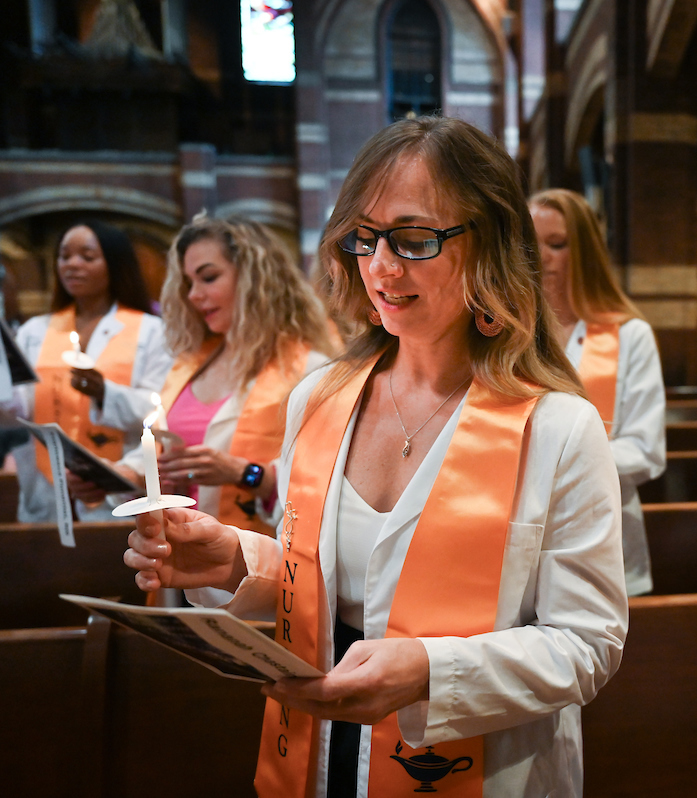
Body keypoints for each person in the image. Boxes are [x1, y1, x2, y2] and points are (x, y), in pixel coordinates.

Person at [123, 116, 627, 797]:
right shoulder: (319, 398)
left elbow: (587, 644)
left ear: (492, 244)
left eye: (414, 239)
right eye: (365, 237)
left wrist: (429, 672)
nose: (381, 268)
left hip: (476, 766)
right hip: (321, 750)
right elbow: (333, 583)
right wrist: (241, 562)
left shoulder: (558, 427)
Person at [101, 215, 338, 532]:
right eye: (189, 283)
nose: (193, 295)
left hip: (253, 550)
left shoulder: (311, 369)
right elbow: (162, 449)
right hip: (176, 549)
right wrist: (122, 474)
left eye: (208, 278)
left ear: (254, 279)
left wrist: (244, 473)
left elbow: (322, 480)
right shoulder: (189, 364)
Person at [529, 188, 666, 595]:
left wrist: (554, 462)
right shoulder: (505, 334)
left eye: (556, 244)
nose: (540, 257)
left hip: (605, 528)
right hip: (520, 533)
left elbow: (645, 450)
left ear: (585, 251)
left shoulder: (630, 336)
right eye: (529, 244)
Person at [5, 220, 171, 521]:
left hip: (118, 485)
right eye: (64, 256)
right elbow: (18, 407)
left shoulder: (150, 331)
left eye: (87, 256)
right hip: (45, 490)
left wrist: (104, 392)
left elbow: (162, 410)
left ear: (114, 263)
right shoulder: (35, 331)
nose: (72, 264)